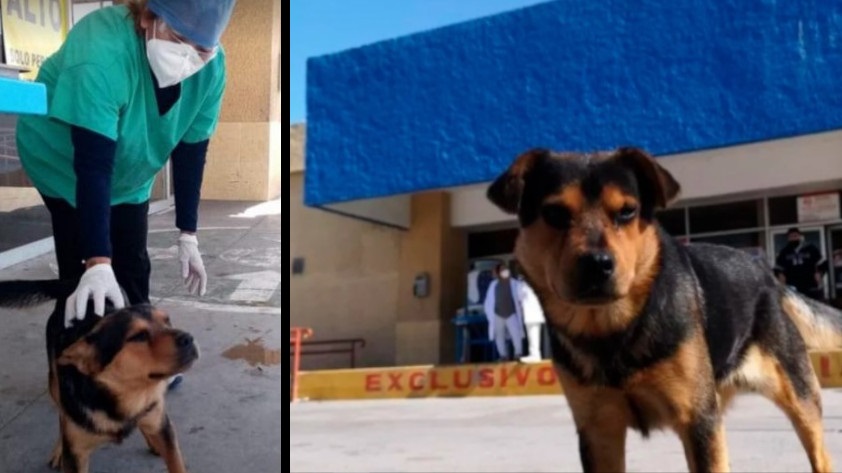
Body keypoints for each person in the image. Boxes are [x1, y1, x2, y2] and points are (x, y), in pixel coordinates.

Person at [14, 0, 236, 388]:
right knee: (81, 279)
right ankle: (70, 375)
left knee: (133, 268)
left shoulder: (211, 68)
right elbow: (93, 166)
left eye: (203, 47)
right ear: (149, 17)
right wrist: (97, 262)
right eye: (181, 39)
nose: (191, 57)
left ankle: (148, 363)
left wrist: (189, 233)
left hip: (130, 175)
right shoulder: (101, 50)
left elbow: (191, 152)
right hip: (63, 164)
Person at [482, 263, 525, 362]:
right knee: (499, 336)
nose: (504, 271)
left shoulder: (515, 284)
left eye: (505, 269)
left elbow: (521, 297)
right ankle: (503, 356)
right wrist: (490, 315)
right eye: (502, 270)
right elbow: (488, 302)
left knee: (516, 334)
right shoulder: (493, 285)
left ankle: (518, 353)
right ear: (498, 273)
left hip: (511, 313)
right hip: (498, 315)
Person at [775, 228, 825, 300]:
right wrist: (781, 280)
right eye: (791, 236)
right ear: (788, 238)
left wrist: (819, 273)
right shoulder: (784, 252)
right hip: (792, 285)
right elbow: (778, 269)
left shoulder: (810, 248)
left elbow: (821, 263)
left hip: (810, 283)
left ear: (800, 236)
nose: (793, 238)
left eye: (795, 236)